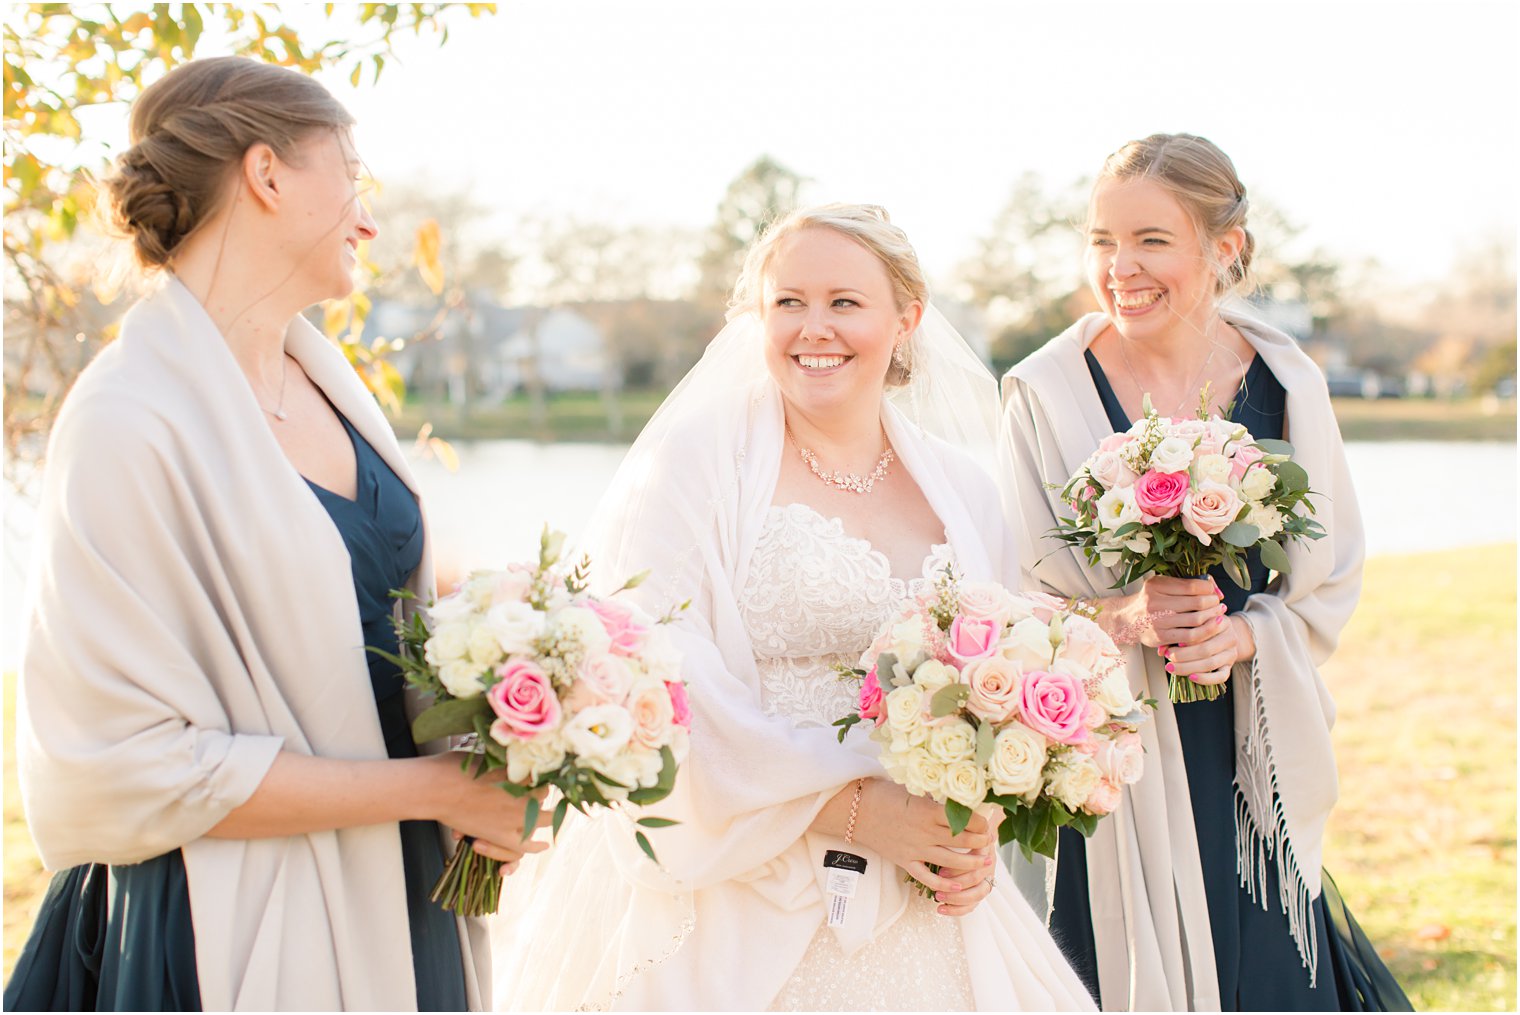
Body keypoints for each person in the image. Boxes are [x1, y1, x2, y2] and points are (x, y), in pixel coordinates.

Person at [5, 56, 542, 1012]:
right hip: (227, 925)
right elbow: (126, 763)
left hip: (406, 888)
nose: (370, 219)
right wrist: (434, 790)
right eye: (353, 177)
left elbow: (377, 625)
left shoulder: (333, 388)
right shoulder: (127, 420)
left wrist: (495, 736)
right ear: (266, 174)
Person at [490, 204, 1095, 1011]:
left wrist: (973, 819)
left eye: (845, 301)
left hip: (921, 887)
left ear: (906, 318)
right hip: (738, 871)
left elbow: (998, 685)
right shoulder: (697, 464)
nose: (815, 328)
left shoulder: (965, 490)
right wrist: (846, 806)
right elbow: (658, 670)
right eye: (788, 302)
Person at [999, 133, 1411, 1011]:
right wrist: (1127, 615)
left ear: (1223, 248)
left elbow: (1329, 580)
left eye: (1151, 240)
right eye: (1103, 240)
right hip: (1116, 762)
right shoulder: (1043, 393)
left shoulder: (1289, 384)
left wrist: (1245, 634)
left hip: (1252, 749)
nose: (1121, 267)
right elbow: (1018, 597)